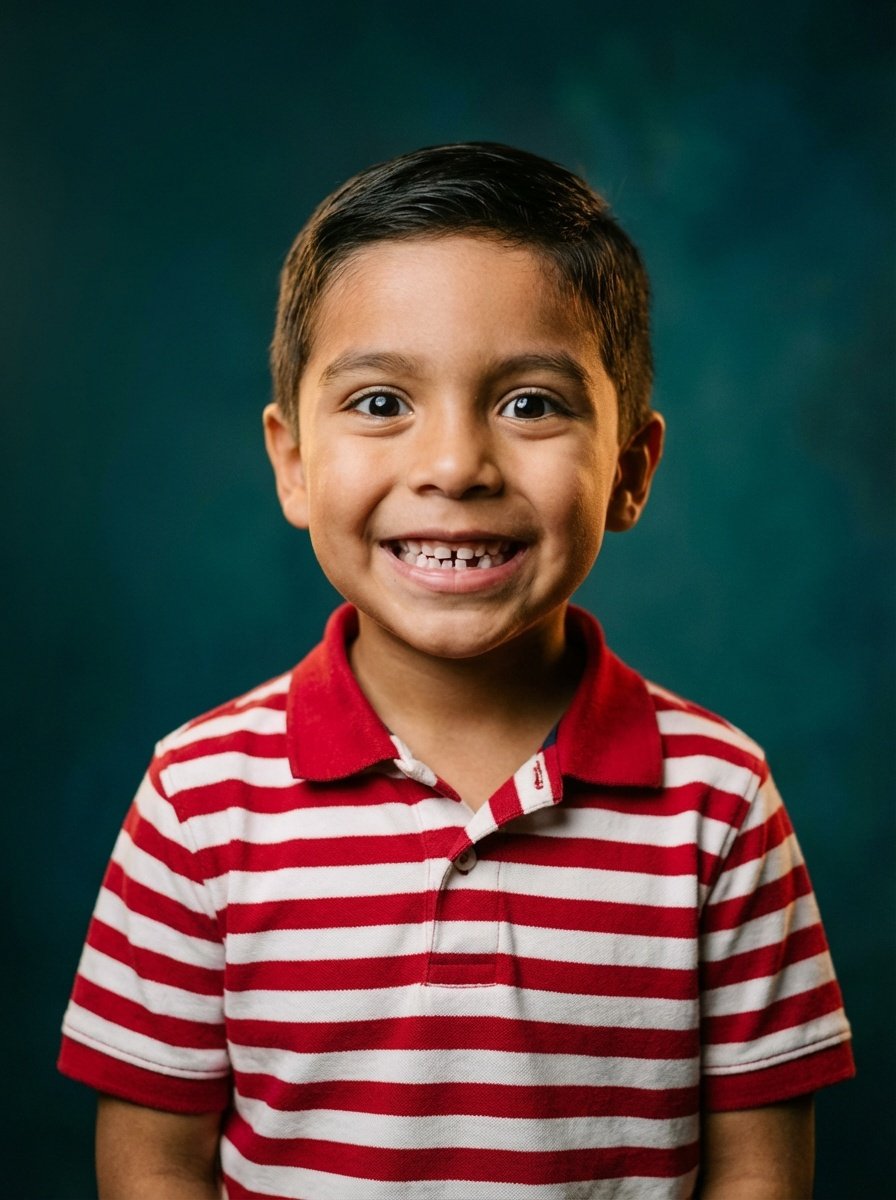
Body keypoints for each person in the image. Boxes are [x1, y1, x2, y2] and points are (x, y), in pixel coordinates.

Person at [58, 143, 854, 1199]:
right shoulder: (197, 802)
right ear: (292, 462)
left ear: (629, 471)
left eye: (528, 403)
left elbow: (759, 1174)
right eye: (382, 402)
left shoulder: (717, 801)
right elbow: (152, 1165)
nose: (454, 466)